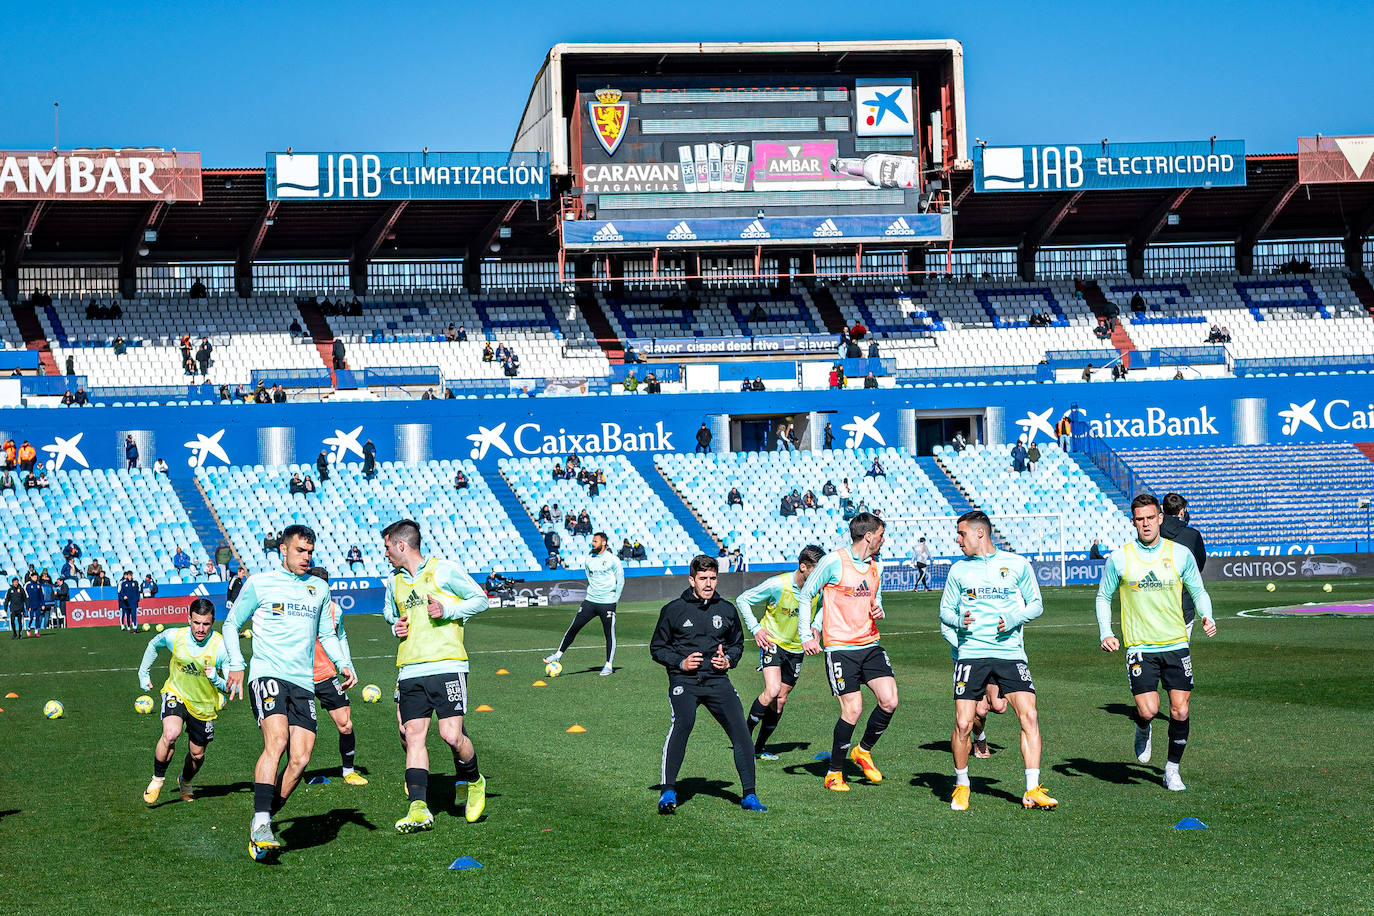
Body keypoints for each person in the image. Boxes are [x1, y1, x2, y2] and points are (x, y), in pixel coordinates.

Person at [222, 524, 355, 860]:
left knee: (300, 759)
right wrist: (236, 663)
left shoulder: (318, 589)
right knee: (277, 742)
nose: (306, 558)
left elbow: (328, 634)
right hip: (267, 674)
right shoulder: (260, 584)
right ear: (283, 549)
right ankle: (263, 820)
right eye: (300, 551)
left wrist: (344, 664)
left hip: (303, 683)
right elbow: (231, 624)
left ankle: (262, 818)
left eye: (310, 552)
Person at [1094, 494, 1216, 792]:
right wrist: (1105, 633)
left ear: (1161, 518)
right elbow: (1102, 596)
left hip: (1175, 642)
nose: (1146, 524)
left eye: (1151, 518)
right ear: (1133, 522)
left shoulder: (1180, 554)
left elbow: (1198, 591)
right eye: (1140, 519)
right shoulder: (1121, 558)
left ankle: (1171, 770)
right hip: (1140, 647)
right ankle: (1142, 726)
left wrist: (1207, 616)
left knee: (1180, 710)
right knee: (1149, 709)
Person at [939, 511, 1057, 811]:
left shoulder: (1017, 565)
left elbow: (1036, 604)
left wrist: (1014, 617)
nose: (958, 539)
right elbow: (945, 612)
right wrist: (960, 622)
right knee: (964, 722)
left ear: (980, 534)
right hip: (971, 654)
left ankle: (1032, 789)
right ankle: (962, 784)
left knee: (1029, 716)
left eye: (961, 533)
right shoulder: (958, 571)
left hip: (1010, 654)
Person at [381, 519, 489, 834]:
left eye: (388, 547)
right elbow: (391, 612)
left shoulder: (444, 570)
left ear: (402, 545)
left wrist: (448, 610)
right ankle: (418, 809)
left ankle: (474, 780)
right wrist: (394, 626)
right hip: (410, 668)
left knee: (451, 736)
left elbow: (480, 600)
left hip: (447, 665)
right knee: (413, 735)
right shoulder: (394, 582)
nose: (385, 553)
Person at [650, 555, 765, 814]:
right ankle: (668, 790)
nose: (708, 583)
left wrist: (729, 661)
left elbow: (736, 644)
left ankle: (749, 795)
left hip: (717, 681)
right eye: (703, 578)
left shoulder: (726, 609)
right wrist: (680, 662)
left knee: (741, 732)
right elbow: (657, 648)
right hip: (684, 681)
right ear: (692, 580)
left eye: (713, 578)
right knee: (683, 722)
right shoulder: (673, 610)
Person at [797, 513, 895, 792]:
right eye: (880, 534)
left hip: (870, 644)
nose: (883, 539)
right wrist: (807, 635)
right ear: (868, 536)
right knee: (853, 709)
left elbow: (877, 601)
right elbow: (806, 594)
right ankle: (834, 773)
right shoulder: (833, 561)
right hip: (841, 649)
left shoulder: (877, 566)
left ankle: (862, 751)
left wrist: (879, 609)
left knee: (889, 701)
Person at [736, 545, 825, 760]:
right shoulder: (778, 584)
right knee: (773, 689)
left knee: (781, 699)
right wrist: (756, 629)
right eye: (816, 569)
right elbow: (743, 599)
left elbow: (824, 606)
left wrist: (817, 626)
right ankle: (743, 741)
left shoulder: (818, 588)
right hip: (773, 642)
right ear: (803, 567)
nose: (821, 575)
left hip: (797, 648)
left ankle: (759, 748)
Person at [138, 598, 229, 804]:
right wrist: (144, 673)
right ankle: (157, 779)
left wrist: (217, 678)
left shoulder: (220, 646)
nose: (200, 628)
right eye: (196, 622)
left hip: (204, 704)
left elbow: (231, 685)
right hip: (176, 692)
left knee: (197, 755)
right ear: (189, 619)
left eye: (206, 624)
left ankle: (185, 780)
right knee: (170, 734)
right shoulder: (174, 636)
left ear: (212, 622)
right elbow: (153, 644)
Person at [306, 567, 367, 786]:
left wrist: (348, 666)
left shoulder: (335, 610)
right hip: (298, 677)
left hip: (325, 674)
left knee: (346, 725)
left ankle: (348, 770)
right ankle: (290, 773)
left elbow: (340, 636)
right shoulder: (297, 609)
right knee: (297, 733)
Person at [544, 531, 624, 677]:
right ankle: (558, 655)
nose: (593, 543)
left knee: (609, 634)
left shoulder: (613, 560)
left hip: (607, 603)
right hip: (590, 601)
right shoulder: (589, 558)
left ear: (604, 543)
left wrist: (615, 599)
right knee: (574, 627)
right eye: (592, 541)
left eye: (596, 541)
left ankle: (608, 665)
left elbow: (621, 580)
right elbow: (589, 576)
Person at [1160, 493, 1207, 634]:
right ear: (1182, 510)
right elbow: (1199, 566)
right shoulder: (1193, 535)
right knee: (1181, 650)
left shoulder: (1153, 533)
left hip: (1157, 601)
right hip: (1184, 600)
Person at [24, 571, 44, 638]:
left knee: (38, 618)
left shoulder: (39, 585)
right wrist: (27, 605)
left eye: (36, 577)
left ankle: (36, 631)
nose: (36, 578)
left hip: (38, 604)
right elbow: (25, 596)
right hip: (31, 605)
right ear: (31, 577)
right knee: (31, 618)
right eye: (34, 577)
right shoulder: (28, 585)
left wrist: (43, 604)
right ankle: (28, 628)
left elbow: (41, 595)